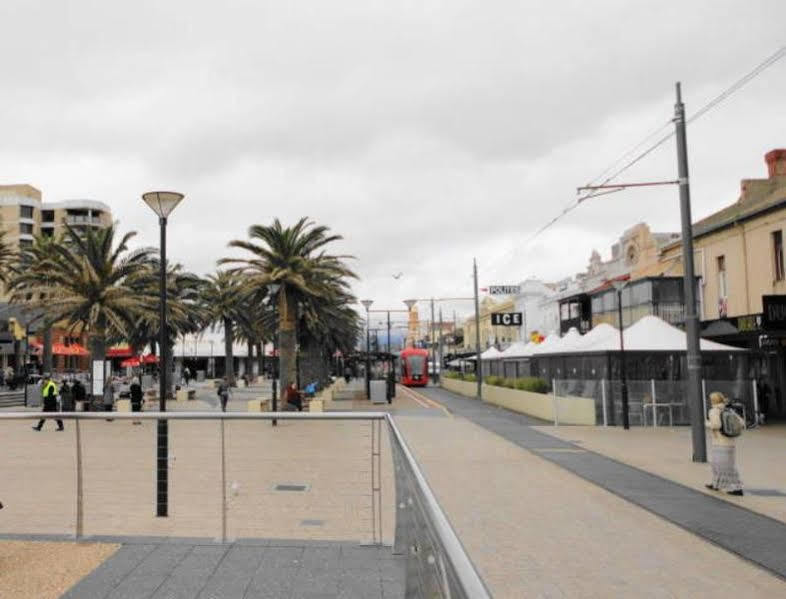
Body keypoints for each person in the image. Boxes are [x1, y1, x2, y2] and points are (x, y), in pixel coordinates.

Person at [705, 391, 745, 496]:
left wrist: (707, 423)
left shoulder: (713, 411)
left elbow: (716, 425)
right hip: (730, 442)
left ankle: (737, 487)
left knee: (719, 465)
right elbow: (742, 423)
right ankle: (716, 484)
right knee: (727, 465)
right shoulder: (729, 409)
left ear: (713, 401)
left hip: (719, 442)